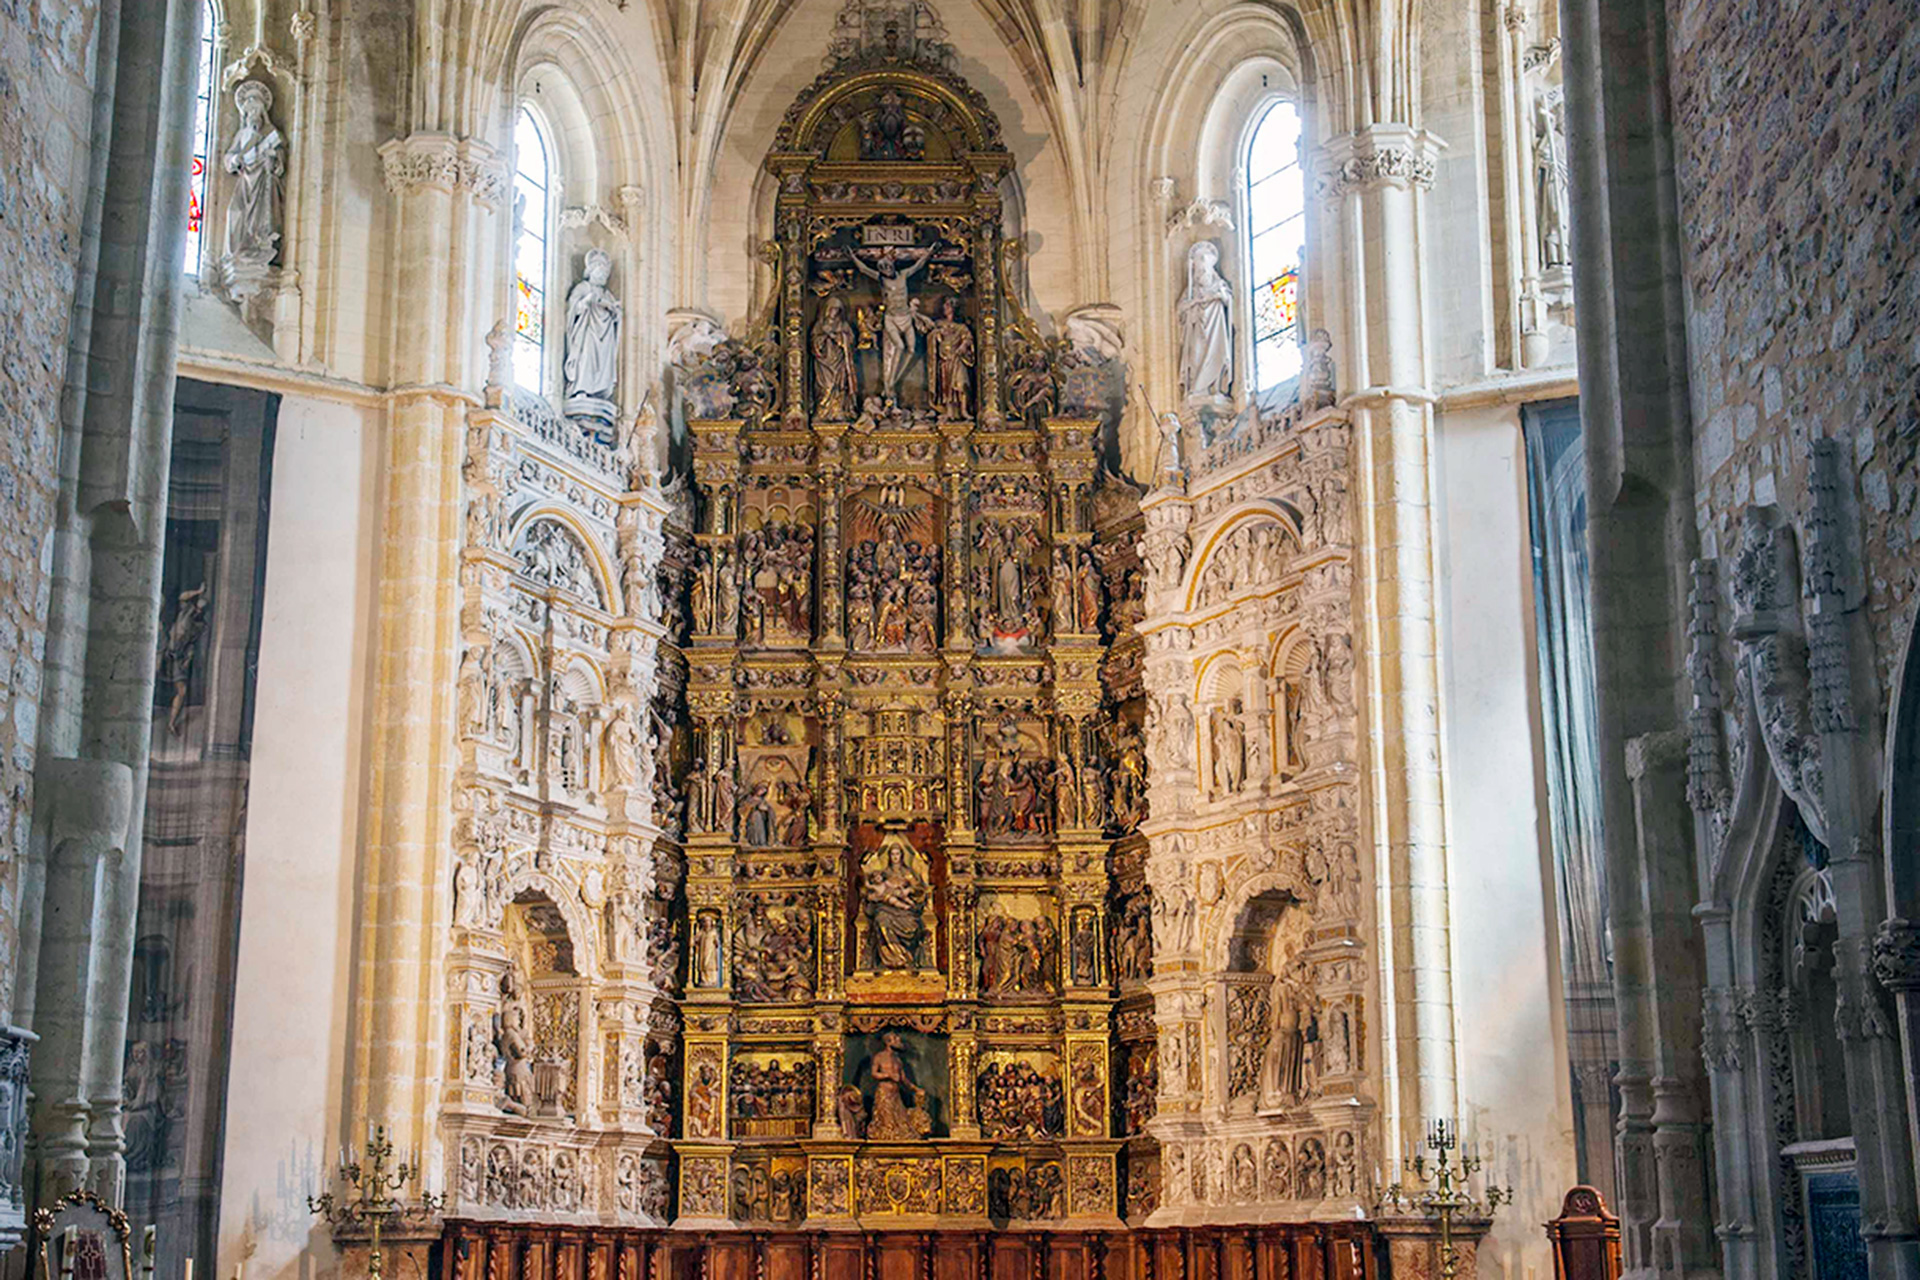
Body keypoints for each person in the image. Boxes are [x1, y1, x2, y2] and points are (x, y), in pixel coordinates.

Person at [852, 243, 938, 399]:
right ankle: (889, 384)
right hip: (891, 318)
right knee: (900, 346)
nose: (886, 270)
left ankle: (892, 382)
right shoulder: (881, 279)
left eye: (888, 267)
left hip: (905, 317)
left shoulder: (903, 275)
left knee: (911, 350)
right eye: (883, 269)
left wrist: (930, 251)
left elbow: (918, 265)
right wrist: (852, 256)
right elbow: (863, 269)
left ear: (892, 266)